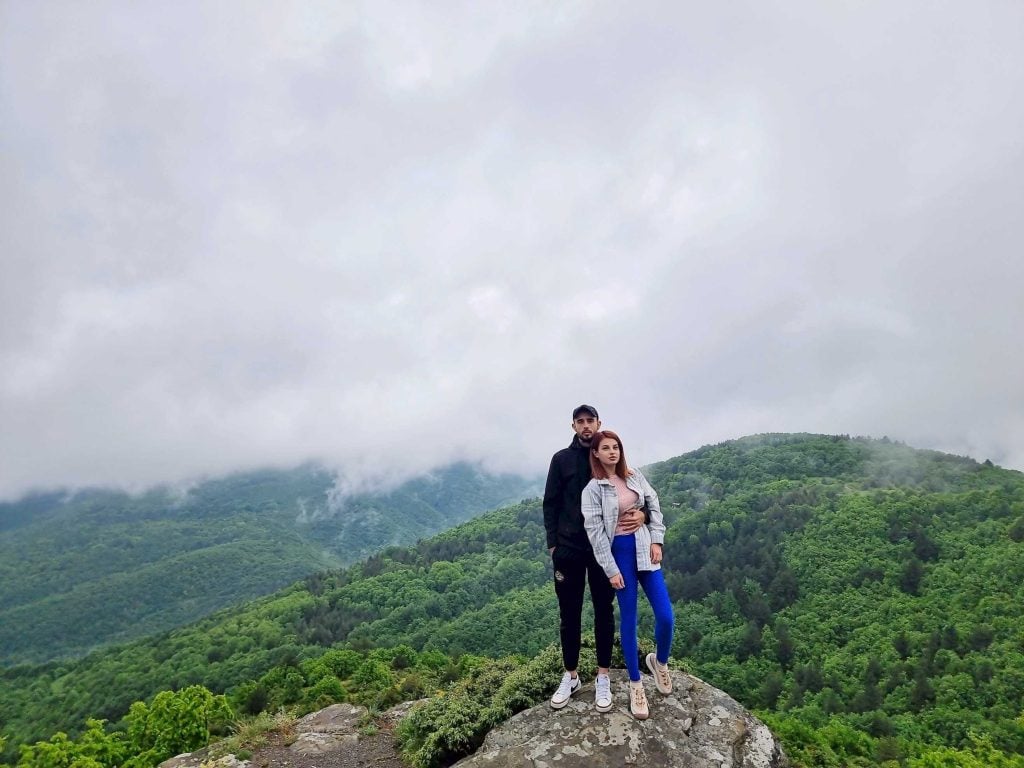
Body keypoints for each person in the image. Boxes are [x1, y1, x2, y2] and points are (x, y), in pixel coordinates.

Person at [544, 405, 645, 712]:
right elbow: (550, 502)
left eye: (591, 421)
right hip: (570, 549)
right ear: (573, 426)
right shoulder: (561, 460)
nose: (586, 426)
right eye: (581, 421)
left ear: (599, 423)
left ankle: (603, 676)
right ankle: (571, 675)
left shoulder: (607, 458)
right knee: (569, 613)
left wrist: (644, 515)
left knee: (604, 611)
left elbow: (637, 495)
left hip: (606, 550)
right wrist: (553, 545)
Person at [582, 429, 674, 720]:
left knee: (666, 615)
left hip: (645, 547)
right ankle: (636, 685)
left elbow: (653, 504)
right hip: (619, 554)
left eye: (616, 447)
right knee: (630, 619)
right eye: (606, 448)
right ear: (595, 453)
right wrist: (610, 570)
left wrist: (656, 537)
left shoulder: (634, 476)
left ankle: (659, 663)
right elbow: (596, 535)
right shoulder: (593, 489)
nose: (612, 452)